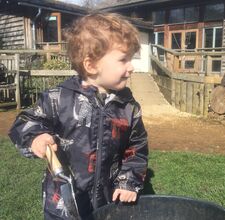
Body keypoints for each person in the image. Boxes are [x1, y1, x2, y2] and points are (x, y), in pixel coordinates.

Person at [8, 13, 148, 219]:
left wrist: (128, 182)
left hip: (109, 202)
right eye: (123, 59)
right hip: (63, 203)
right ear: (91, 65)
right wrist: (35, 138)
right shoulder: (59, 98)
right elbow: (24, 123)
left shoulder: (128, 107)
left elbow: (136, 149)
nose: (131, 67)